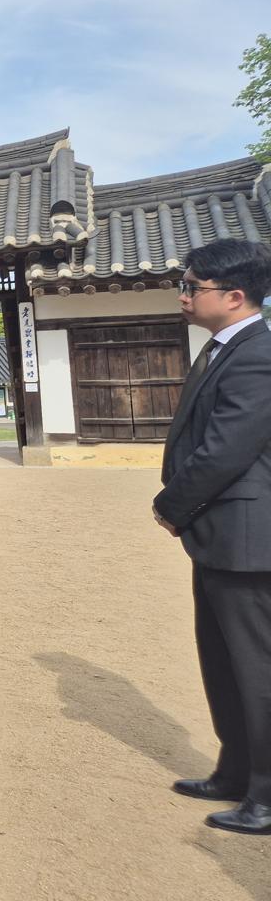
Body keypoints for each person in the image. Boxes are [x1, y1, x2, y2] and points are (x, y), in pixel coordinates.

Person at [152, 238, 271, 836]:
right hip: (219, 533)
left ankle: (267, 792)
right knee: (221, 659)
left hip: (247, 537)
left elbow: (227, 448)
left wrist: (172, 505)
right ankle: (235, 768)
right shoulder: (224, 348)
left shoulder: (257, 353)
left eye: (192, 286)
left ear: (235, 295)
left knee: (256, 665)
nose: (183, 295)